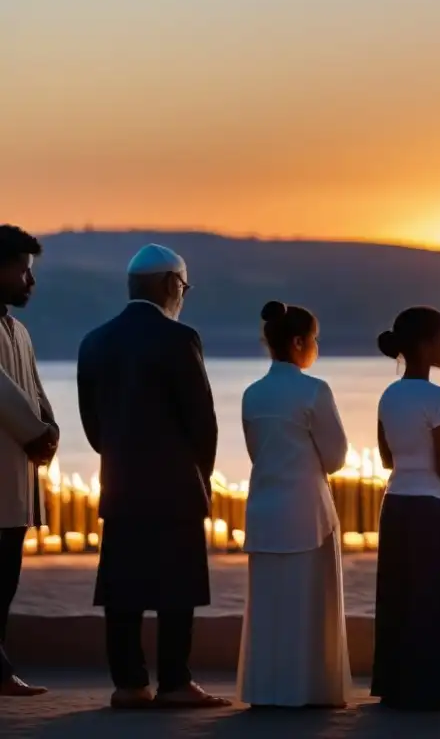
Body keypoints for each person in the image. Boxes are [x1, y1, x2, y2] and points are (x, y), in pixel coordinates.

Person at [77, 244, 229, 709]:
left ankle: (128, 684)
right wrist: (198, 475)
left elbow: (92, 426)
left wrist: (121, 458)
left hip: (120, 484)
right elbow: (202, 423)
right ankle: (175, 683)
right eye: (182, 287)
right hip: (175, 486)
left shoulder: (94, 341)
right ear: (169, 285)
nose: (183, 296)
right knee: (175, 589)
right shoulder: (178, 339)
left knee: (123, 589)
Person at [237, 301, 352, 708]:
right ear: (300, 341)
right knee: (309, 606)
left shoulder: (252, 394)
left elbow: (256, 453)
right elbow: (336, 457)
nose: (316, 346)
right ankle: (308, 689)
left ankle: (267, 689)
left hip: (266, 508)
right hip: (307, 509)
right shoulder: (315, 391)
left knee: (270, 606)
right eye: (315, 339)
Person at [371, 306, 440, 710]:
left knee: (400, 596)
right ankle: (434, 685)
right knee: (437, 597)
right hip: (435, 508)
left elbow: (387, 459)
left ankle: (397, 683)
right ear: (424, 344)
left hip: (397, 503)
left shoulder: (389, 395)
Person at [0, 225, 57, 697]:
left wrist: (50, 429)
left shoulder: (18, 330)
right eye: (22, 271)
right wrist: (38, 434)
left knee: (5, 583)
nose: (29, 282)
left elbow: (34, 390)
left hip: (17, 479)